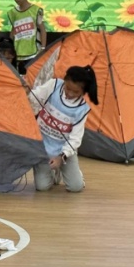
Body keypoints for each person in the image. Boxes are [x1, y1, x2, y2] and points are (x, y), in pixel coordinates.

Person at [28, 65, 98, 193]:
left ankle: (67, 170)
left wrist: (61, 157)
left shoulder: (82, 110)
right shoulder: (53, 85)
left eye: (76, 92)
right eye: (68, 88)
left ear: (84, 92)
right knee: (42, 187)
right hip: (42, 147)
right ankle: (54, 172)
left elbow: (75, 139)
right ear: (64, 80)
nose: (70, 93)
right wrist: (27, 93)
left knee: (75, 187)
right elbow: (33, 98)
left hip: (63, 151)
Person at [7, 0, 46, 74]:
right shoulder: (13, 12)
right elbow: (13, 31)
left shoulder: (36, 10)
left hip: (34, 53)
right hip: (18, 53)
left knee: (32, 77)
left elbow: (42, 30)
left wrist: (43, 48)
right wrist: (10, 48)